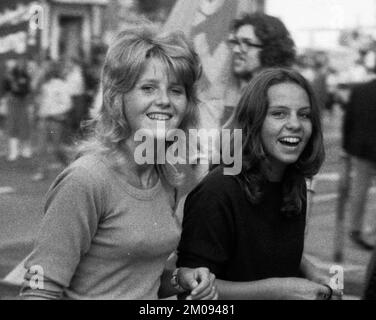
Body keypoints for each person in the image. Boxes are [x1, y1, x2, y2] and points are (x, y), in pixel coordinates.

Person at [19, 26, 217, 300]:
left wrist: (180, 279)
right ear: (117, 98)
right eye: (148, 88)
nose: (164, 101)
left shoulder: (166, 176)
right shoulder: (86, 179)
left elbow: (135, 280)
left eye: (175, 90)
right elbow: (39, 289)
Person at [176, 68, 341, 300]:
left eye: (304, 115)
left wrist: (312, 273)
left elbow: (265, 250)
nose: (295, 124)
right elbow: (191, 291)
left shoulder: (294, 185)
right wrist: (279, 291)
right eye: (279, 114)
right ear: (254, 121)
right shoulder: (219, 190)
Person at [222, 13, 296, 125]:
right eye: (236, 42)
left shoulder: (278, 96)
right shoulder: (246, 91)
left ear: (270, 49)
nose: (236, 50)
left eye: (247, 43)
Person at [342, 75, 376, 251]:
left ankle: (355, 228)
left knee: (359, 189)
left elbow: (348, 120)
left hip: (362, 149)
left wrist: (346, 147)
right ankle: (371, 231)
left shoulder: (359, 90)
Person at [31, 61, 72, 181]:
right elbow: (35, 94)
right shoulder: (42, 85)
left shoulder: (62, 85)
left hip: (55, 120)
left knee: (57, 148)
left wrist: (57, 113)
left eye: (47, 70)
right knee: (41, 147)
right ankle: (42, 171)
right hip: (43, 119)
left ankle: (69, 167)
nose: (44, 72)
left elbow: (67, 104)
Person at [2, 58, 33, 161]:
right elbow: (6, 90)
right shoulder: (9, 76)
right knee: (12, 126)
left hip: (23, 102)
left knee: (25, 126)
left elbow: (28, 89)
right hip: (13, 102)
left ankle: (25, 150)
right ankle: (13, 151)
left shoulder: (25, 76)